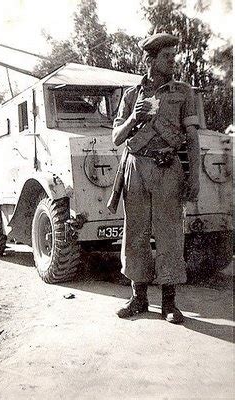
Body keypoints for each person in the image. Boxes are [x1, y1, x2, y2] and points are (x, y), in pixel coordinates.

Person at [112, 33, 200, 324]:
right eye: (166, 56)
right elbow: (116, 138)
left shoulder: (184, 92)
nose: (173, 61)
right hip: (135, 168)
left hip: (167, 168)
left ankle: (169, 304)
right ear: (149, 60)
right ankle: (138, 299)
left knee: (170, 236)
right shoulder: (131, 95)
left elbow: (191, 138)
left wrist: (194, 176)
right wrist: (133, 119)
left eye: (174, 56)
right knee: (135, 233)